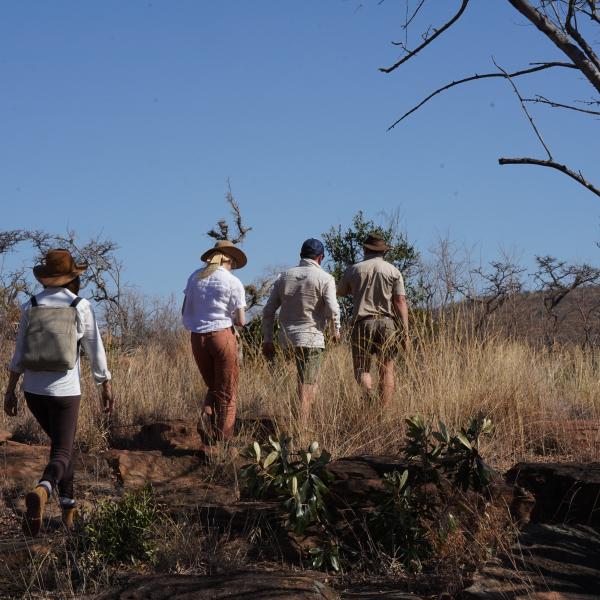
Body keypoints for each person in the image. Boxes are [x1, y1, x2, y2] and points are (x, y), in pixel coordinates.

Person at [3, 249, 114, 536]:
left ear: (46, 278)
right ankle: (43, 489)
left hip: (33, 391)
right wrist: (105, 384)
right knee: (63, 451)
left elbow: (18, 355)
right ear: (71, 277)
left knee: (62, 448)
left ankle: (68, 510)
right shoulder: (79, 305)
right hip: (65, 391)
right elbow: (95, 349)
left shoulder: (31, 305)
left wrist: (10, 391)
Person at [262, 238, 340, 427]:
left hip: (286, 339)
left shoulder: (284, 277)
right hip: (311, 337)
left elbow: (268, 310)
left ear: (301, 255)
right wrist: (335, 330)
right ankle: (303, 426)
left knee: (297, 382)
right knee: (307, 383)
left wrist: (267, 339)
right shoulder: (325, 278)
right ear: (320, 257)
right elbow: (332, 309)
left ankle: (292, 421)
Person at [182, 240, 247, 443]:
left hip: (197, 339)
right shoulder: (232, 281)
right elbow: (241, 320)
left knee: (214, 387)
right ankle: (223, 444)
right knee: (227, 394)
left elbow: (185, 311)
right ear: (229, 260)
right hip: (222, 336)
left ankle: (207, 413)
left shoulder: (194, 277)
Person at [337, 232, 409, 407]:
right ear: (383, 251)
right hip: (387, 323)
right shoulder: (393, 270)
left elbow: (340, 292)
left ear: (365, 249)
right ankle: (383, 411)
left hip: (362, 322)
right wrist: (405, 333)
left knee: (362, 368)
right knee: (387, 370)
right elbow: (400, 301)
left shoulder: (353, 269)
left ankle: (369, 394)